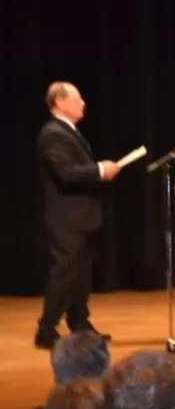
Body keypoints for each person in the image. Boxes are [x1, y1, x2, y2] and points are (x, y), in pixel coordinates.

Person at [35, 82, 119, 350]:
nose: (83, 103)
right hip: (67, 217)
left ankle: (79, 323)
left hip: (83, 215)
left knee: (81, 274)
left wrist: (98, 172)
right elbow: (66, 172)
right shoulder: (52, 133)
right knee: (66, 272)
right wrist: (98, 170)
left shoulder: (69, 132)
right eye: (77, 98)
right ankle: (46, 329)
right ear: (60, 102)